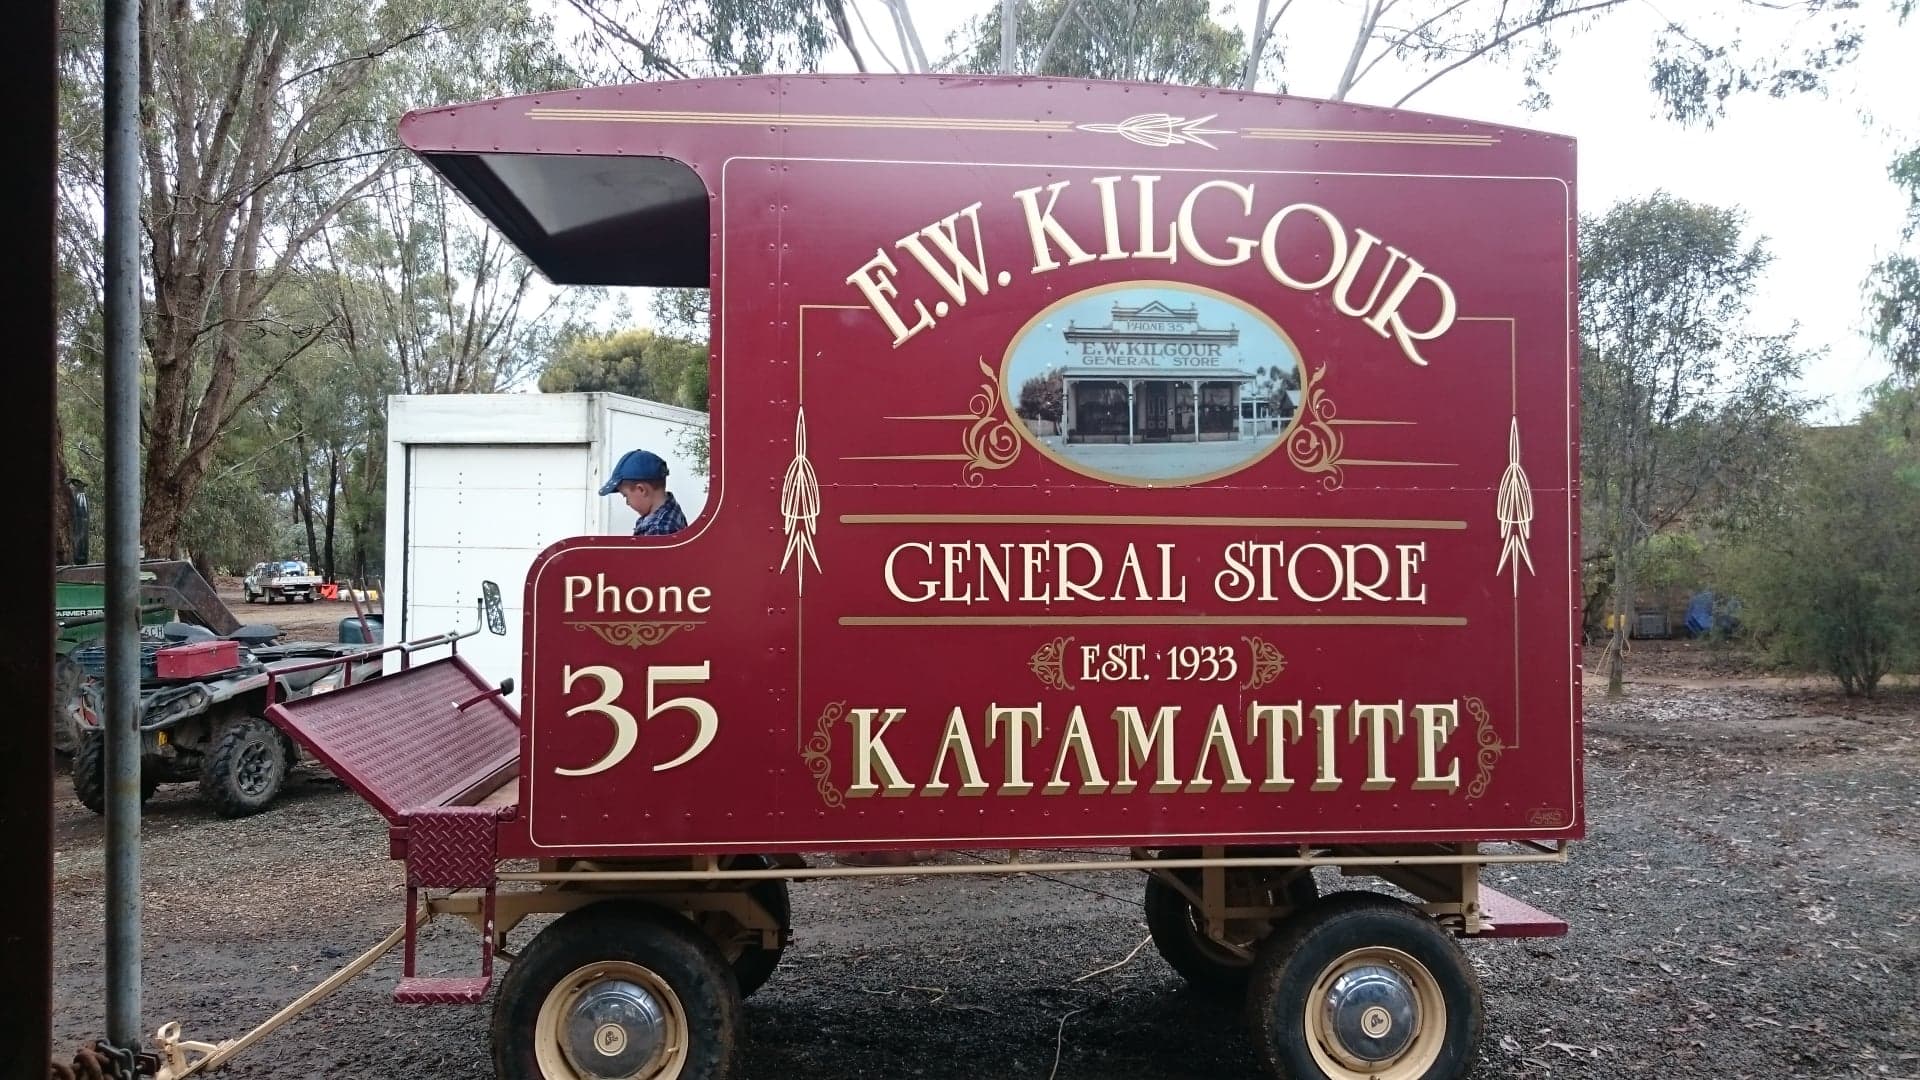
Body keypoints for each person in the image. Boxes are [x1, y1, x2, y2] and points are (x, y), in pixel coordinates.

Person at [600, 449, 688, 536]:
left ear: (641, 490)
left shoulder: (659, 530)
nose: (627, 503)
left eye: (625, 496)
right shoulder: (668, 510)